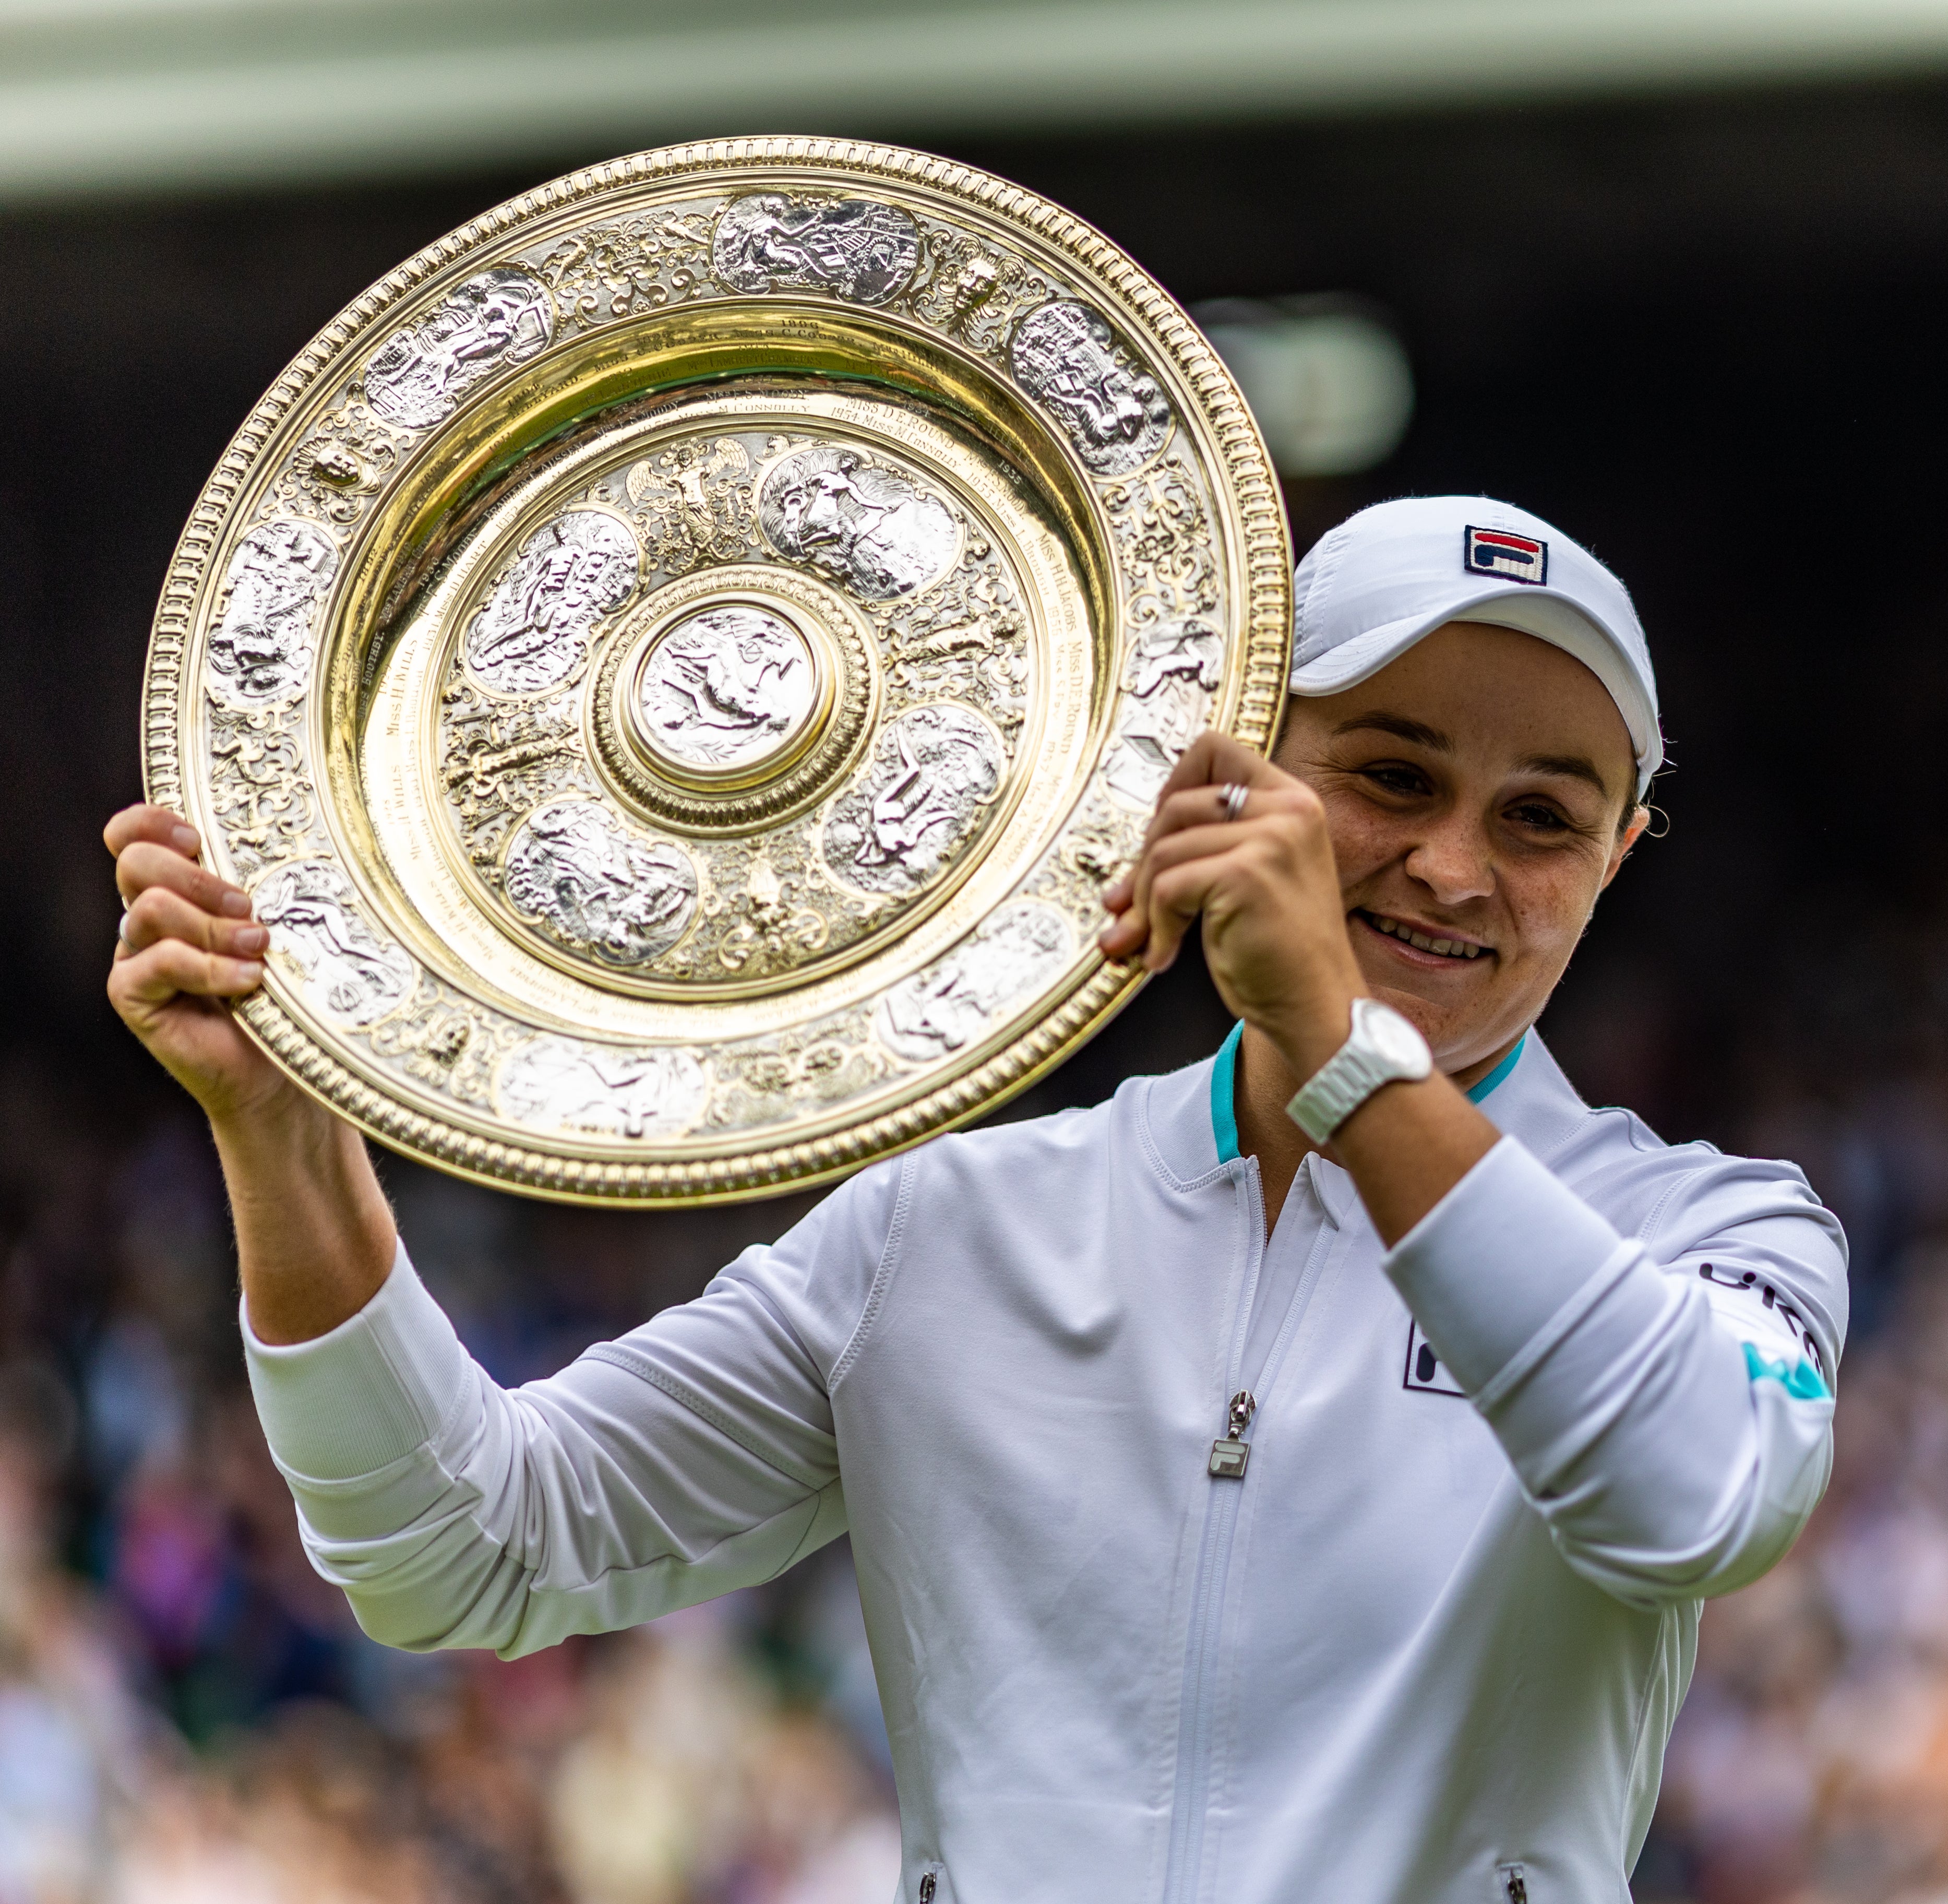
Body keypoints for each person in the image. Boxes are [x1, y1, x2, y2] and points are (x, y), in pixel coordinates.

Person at [103, 495, 1848, 1904]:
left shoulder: (1717, 1236)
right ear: (1234, 760)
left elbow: (1696, 1494)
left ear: (1619, 858)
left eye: (1543, 819)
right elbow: (468, 1547)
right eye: (1389, 775)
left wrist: (1335, 1040)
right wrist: (281, 1128)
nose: (1456, 865)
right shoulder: (954, 1228)